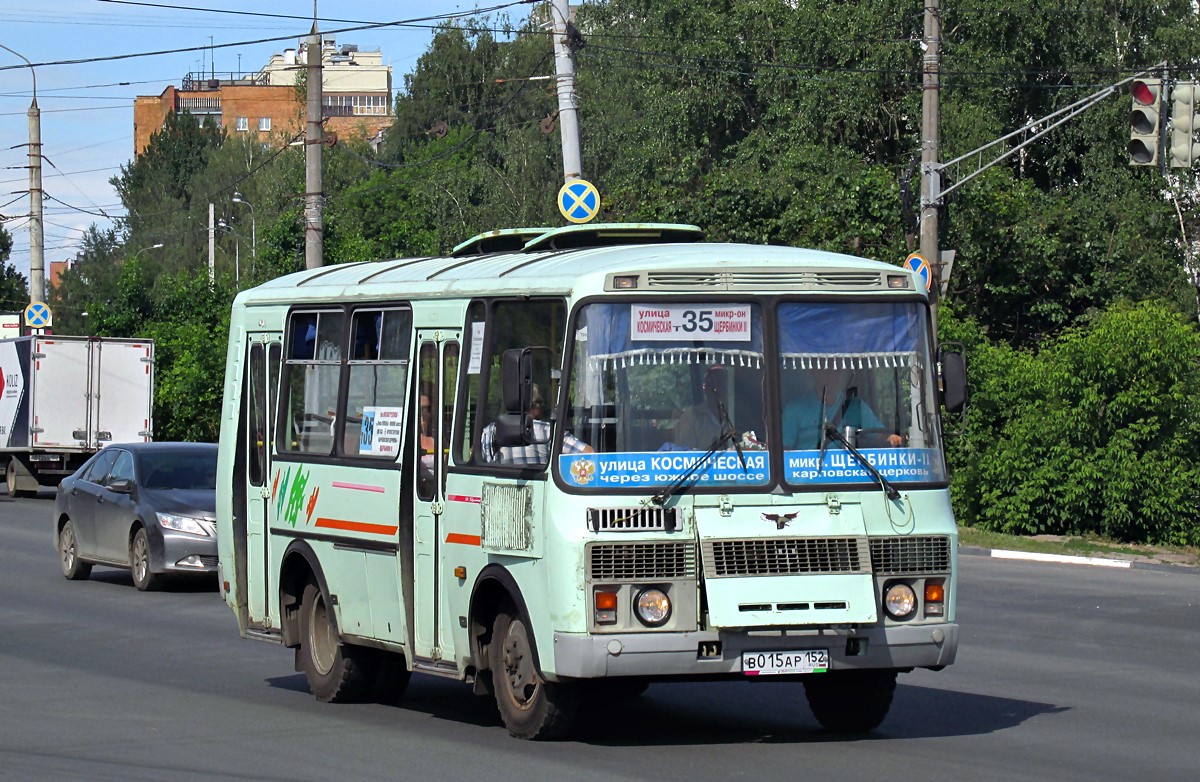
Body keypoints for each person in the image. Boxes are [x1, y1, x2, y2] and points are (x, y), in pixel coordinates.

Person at [782, 366, 903, 450]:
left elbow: (879, 435)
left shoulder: (855, 406)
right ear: (814, 373)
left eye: (834, 370)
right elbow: (784, 451)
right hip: (805, 480)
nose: (830, 375)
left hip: (847, 476)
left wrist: (891, 438)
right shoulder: (795, 409)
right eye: (824, 370)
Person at [480, 388, 593, 465]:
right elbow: (588, 453)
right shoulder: (547, 431)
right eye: (542, 404)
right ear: (535, 408)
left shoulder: (489, 431)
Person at [671, 365, 731, 450]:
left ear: (729, 387)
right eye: (712, 385)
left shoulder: (739, 417)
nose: (716, 390)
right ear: (705, 388)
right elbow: (683, 455)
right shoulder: (690, 417)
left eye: (721, 384)